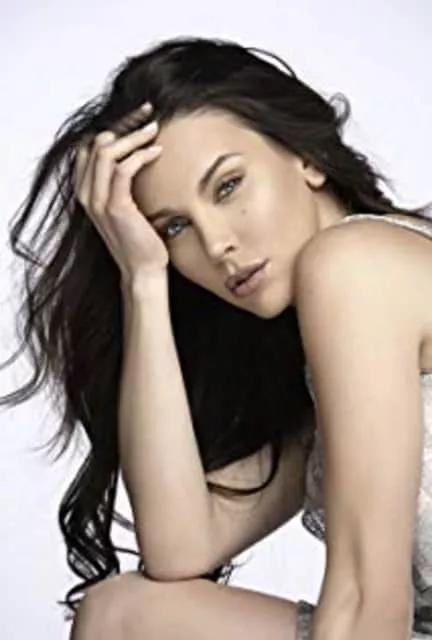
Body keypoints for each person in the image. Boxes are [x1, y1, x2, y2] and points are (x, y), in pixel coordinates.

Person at [2, 34, 432, 640]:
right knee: (121, 615)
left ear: (306, 157)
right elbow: (181, 545)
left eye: (228, 186)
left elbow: (369, 605)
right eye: (175, 227)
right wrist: (142, 279)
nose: (216, 245)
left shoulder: (357, 266)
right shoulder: (332, 353)